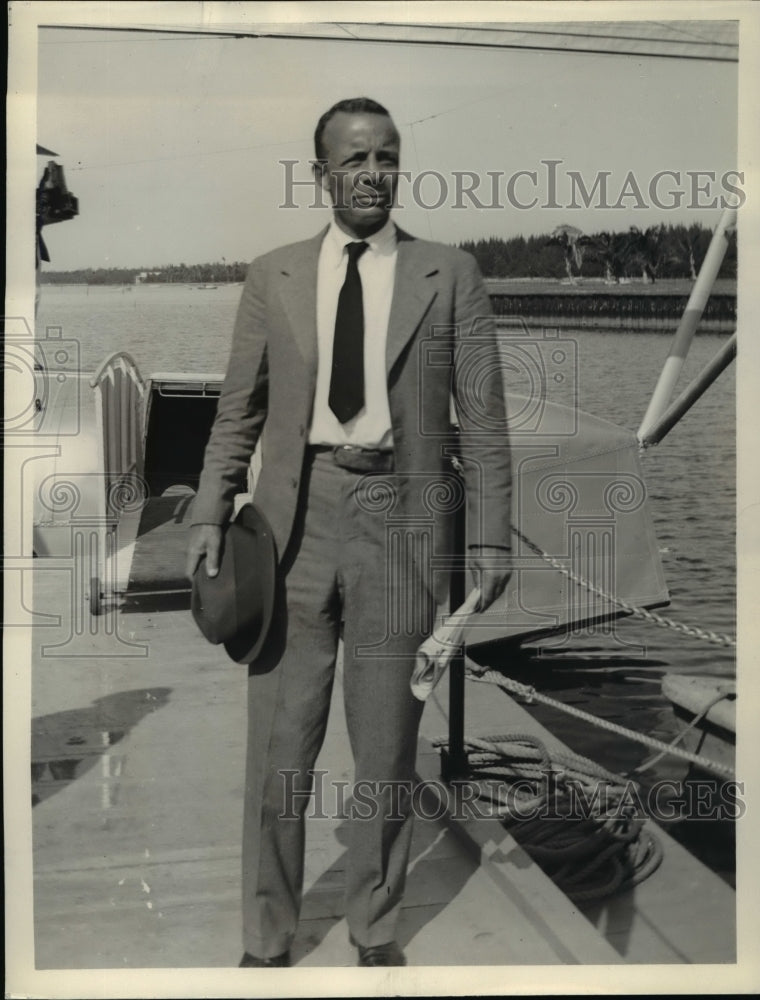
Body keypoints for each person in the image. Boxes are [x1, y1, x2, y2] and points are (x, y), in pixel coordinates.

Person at [186, 97, 512, 968]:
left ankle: (373, 925)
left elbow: (481, 418)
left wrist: (490, 538)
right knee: (280, 744)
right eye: (355, 158)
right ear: (321, 172)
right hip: (294, 526)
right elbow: (237, 411)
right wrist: (210, 512)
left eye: (388, 157)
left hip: (400, 524)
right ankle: (268, 935)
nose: (374, 173)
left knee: (386, 744)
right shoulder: (274, 275)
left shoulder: (451, 273)